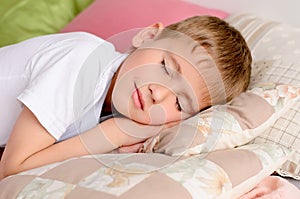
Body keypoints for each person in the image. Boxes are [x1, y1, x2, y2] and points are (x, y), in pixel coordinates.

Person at [0, 16, 252, 179]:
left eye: (179, 102)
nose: (159, 93)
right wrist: (115, 133)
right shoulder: (82, 61)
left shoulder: (117, 110)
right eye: (165, 66)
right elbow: (13, 169)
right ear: (148, 36)